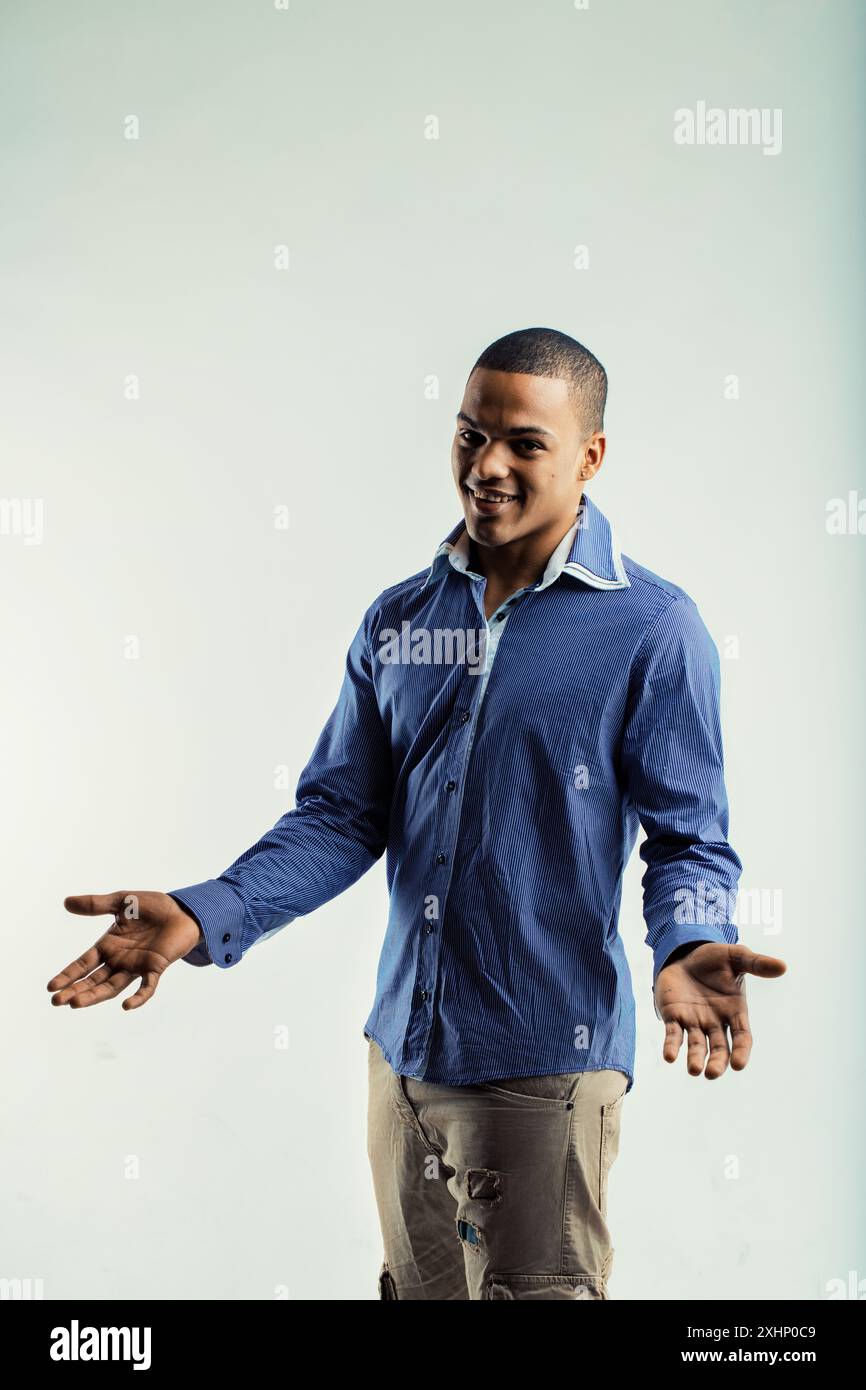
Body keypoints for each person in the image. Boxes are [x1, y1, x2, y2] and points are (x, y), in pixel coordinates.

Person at [48, 326, 787, 1300]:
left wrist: (689, 942)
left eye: (523, 443)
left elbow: (689, 835)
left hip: (539, 1070)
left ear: (589, 457)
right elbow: (342, 814)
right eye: (468, 434)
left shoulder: (652, 628)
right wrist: (202, 912)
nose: (484, 466)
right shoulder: (400, 618)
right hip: (399, 1055)